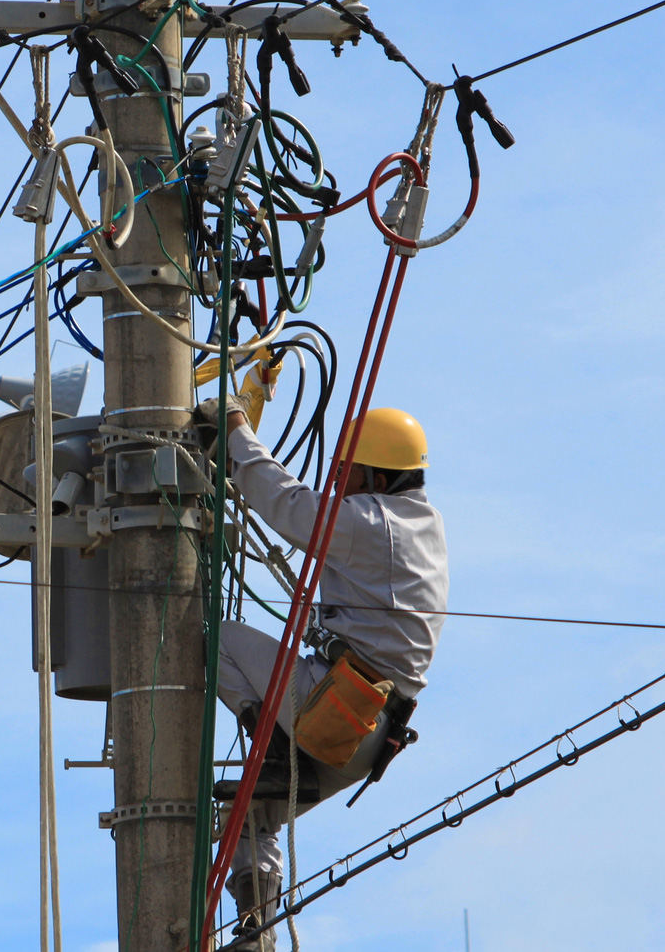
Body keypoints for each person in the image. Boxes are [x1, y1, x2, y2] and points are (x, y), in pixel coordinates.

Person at [205, 404, 447, 951]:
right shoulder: (421, 525)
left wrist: (237, 437)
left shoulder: (374, 522)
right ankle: (255, 934)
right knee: (249, 816)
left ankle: (269, 745)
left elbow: (290, 508)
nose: (339, 484)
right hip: (364, 738)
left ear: (379, 480)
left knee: (214, 636)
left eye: (348, 474)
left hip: (337, 709)